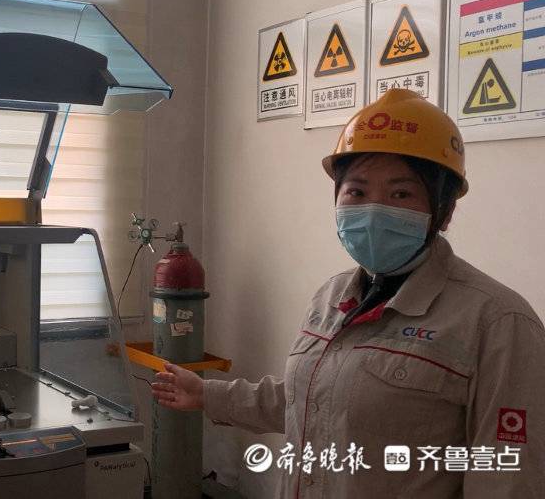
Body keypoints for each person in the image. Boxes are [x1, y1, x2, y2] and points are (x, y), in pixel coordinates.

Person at [150, 89, 545, 498]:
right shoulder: (332, 296)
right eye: (356, 191)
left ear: (444, 212)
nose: (373, 210)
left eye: (401, 194)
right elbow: (311, 399)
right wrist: (208, 395)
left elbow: (508, 475)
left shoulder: (498, 323)